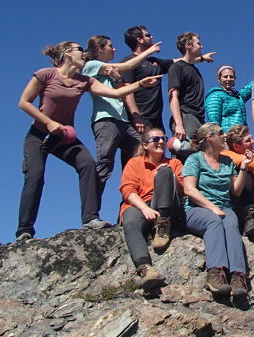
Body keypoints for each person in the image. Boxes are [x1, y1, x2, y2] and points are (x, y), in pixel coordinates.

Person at [16, 41, 161, 241]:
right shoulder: (46, 74)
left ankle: (90, 218)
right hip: (39, 135)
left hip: (64, 138)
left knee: (88, 165)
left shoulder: (84, 80)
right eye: (79, 50)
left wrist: (140, 84)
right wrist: (48, 122)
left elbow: (116, 93)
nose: (84, 53)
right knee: (35, 176)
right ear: (67, 54)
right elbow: (23, 102)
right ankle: (25, 230)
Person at [82, 35, 163, 200]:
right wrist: (149, 51)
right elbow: (127, 65)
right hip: (106, 120)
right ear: (99, 49)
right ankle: (90, 215)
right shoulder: (92, 65)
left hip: (124, 122)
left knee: (143, 153)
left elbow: (122, 89)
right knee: (105, 164)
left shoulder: (110, 71)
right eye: (110, 46)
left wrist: (118, 78)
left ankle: (145, 198)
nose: (114, 49)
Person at [182, 122, 253, 301]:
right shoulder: (195, 159)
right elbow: (189, 189)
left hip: (224, 207)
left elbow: (235, 191)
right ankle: (215, 272)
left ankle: (238, 276)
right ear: (210, 138)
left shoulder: (227, 161)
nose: (225, 136)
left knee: (231, 224)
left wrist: (244, 166)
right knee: (214, 222)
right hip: (197, 209)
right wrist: (212, 208)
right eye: (220, 133)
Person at [118, 128, 184, 289]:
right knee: (130, 221)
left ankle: (162, 225)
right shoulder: (135, 163)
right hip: (141, 204)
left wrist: (171, 178)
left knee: (165, 172)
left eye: (163, 138)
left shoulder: (174, 163)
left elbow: (183, 191)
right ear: (145, 145)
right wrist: (144, 209)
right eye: (156, 139)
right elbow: (128, 190)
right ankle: (145, 269)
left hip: (168, 206)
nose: (161, 142)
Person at [121, 26, 216, 133]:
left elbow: (182, 61)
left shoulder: (154, 62)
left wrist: (202, 58)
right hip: (140, 118)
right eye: (148, 35)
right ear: (139, 39)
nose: (152, 37)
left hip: (156, 119)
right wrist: (136, 117)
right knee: (140, 148)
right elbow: (127, 91)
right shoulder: (128, 63)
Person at [168, 32, 215, 161]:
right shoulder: (176, 67)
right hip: (186, 117)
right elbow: (173, 97)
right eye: (198, 43)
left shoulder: (194, 69)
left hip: (198, 118)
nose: (201, 46)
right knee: (184, 153)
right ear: (188, 45)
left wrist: (203, 59)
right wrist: (179, 124)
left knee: (200, 156)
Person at [205, 65, 253, 131]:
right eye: (225, 77)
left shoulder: (237, 97)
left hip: (241, 135)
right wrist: (220, 138)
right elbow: (214, 122)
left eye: (231, 77)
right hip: (227, 137)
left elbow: (249, 89)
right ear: (219, 79)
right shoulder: (215, 96)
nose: (228, 79)